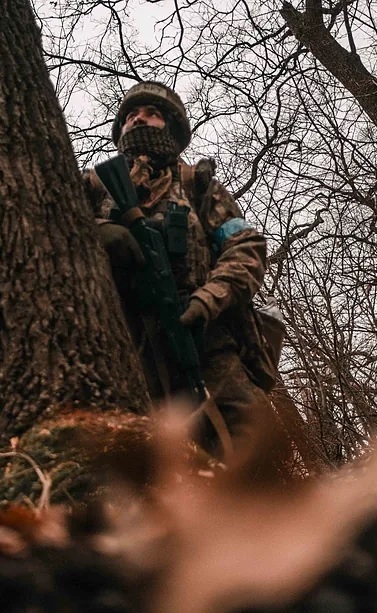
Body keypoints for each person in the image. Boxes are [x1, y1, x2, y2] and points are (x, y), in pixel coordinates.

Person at [83, 81, 282, 470]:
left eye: (150, 113)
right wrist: (96, 234)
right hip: (124, 346)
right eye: (129, 116)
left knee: (250, 441)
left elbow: (246, 248)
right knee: (142, 464)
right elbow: (48, 230)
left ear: (172, 126)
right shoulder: (94, 187)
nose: (137, 119)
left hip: (205, 339)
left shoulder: (198, 185)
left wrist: (208, 299)